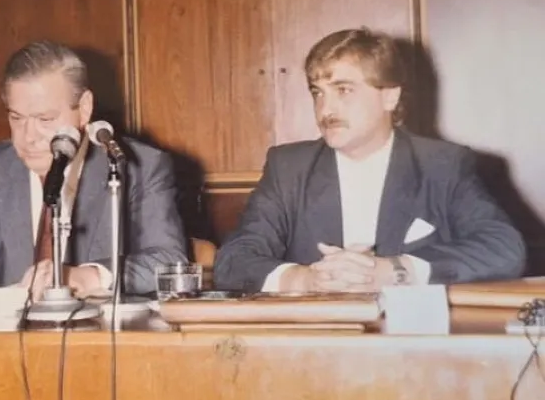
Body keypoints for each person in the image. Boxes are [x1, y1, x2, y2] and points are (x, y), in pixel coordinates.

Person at [213, 28, 525, 292]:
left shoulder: (443, 164)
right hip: (317, 342)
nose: (326, 109)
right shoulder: (289, 168)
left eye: (343, 90)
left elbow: (503, 248)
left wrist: (394, 271)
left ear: (390, 96)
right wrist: (306, 279)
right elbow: (233, 260)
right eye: (317, 92)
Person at [0, 40, 188, 299]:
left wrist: (87, 276)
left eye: (45, 118)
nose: (28, 137)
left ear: (85, 108)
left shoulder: (137, 166)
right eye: (16, 118)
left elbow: (168, 261)